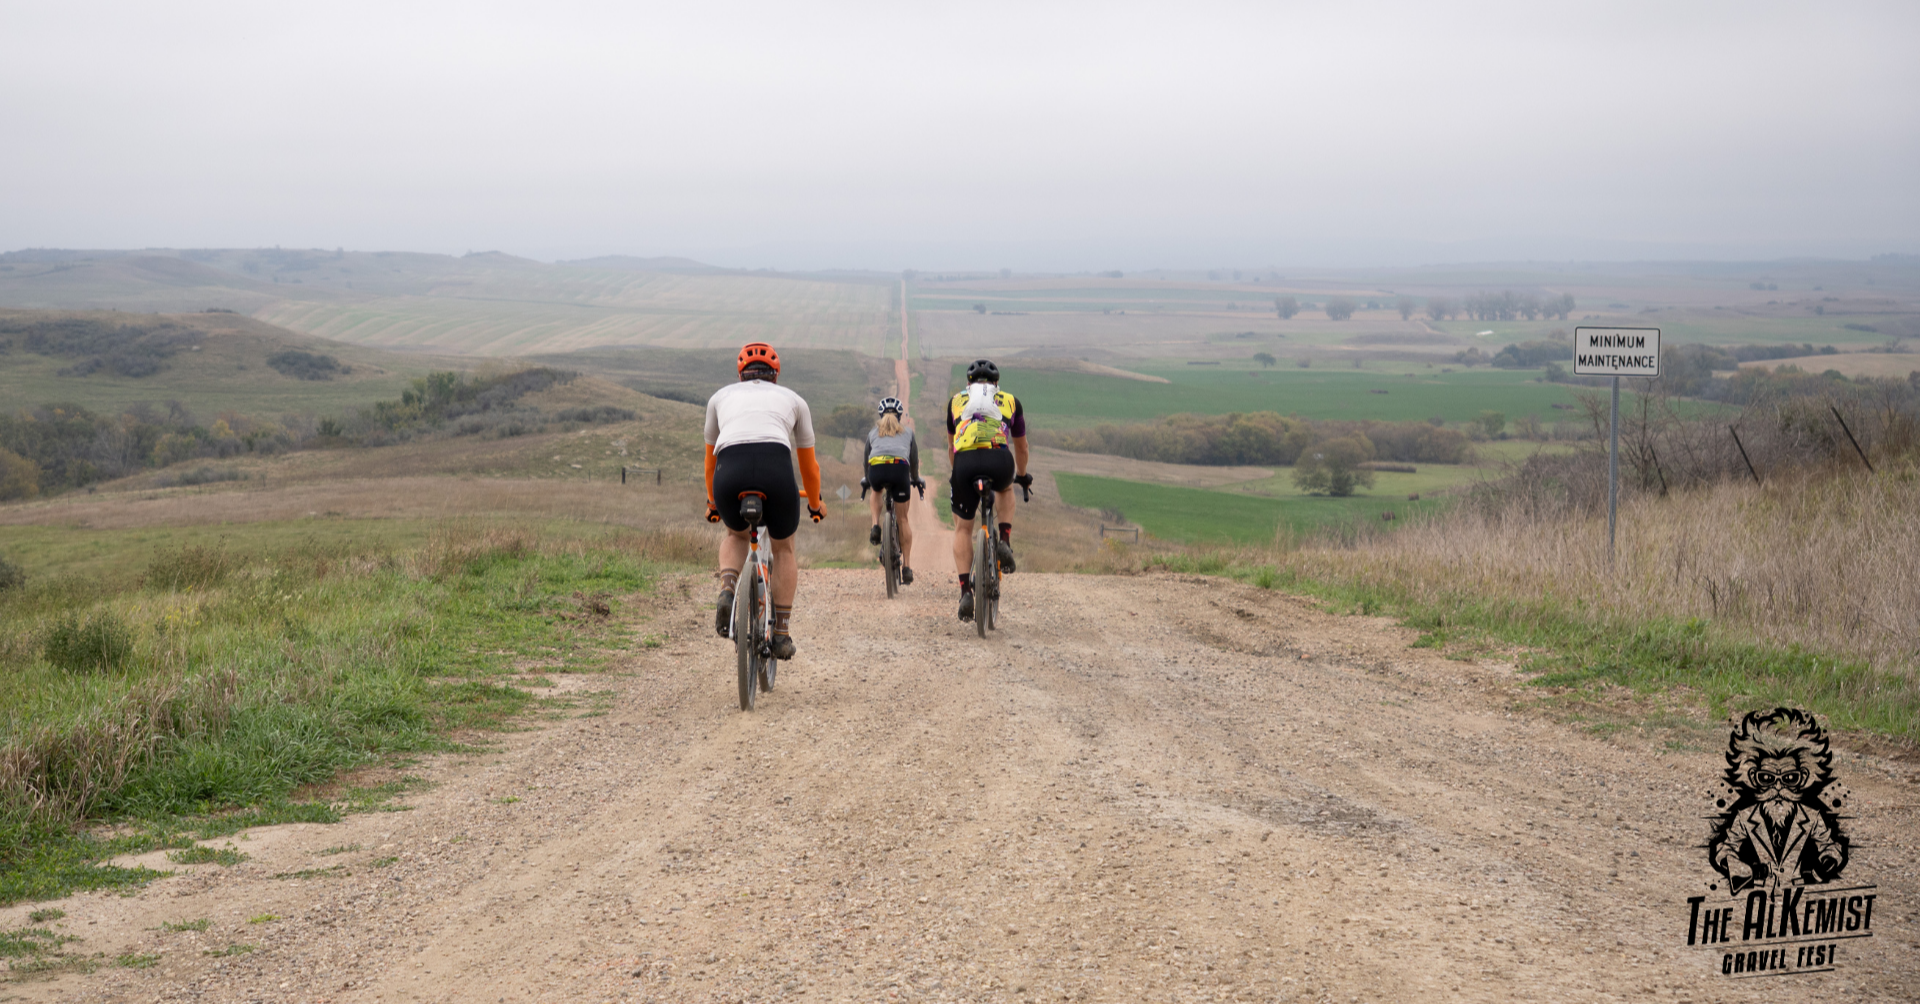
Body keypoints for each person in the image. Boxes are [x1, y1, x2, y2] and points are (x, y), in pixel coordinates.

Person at [704, 342, 824, 660]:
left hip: (729, 475)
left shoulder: (720, 397)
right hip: (776, 472)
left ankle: (728, 589)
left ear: (740, 374)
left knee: (735, 534)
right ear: (776, 375)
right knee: (784, 548)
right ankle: (781, 634)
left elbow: (709, 463)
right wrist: (815, 504)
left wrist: (713, 503)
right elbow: (809, 468)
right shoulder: (794, 400)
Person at [946, 358, 1032, 621]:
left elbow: (952, 447)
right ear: (996, 384)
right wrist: (1021, 476)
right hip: (998, 459)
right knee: (1006, 490)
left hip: (965, 463)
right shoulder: (1010, 400)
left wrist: (958, 475)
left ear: (968, 384)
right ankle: (1004, 540)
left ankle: (965, 592)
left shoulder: (955, 401)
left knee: (962, 527)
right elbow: (1021, 448)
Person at [860, 396, 925, 585]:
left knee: (876, 491)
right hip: (899, 469)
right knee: (903, 519)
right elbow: (913, 461)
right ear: (900, 416)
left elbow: (866, 460)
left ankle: (875, 525)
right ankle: (907, 567)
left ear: (881, 415)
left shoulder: (873, 432)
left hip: (877, 470)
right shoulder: (908, 433)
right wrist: (915, 478)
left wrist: (868, 478)